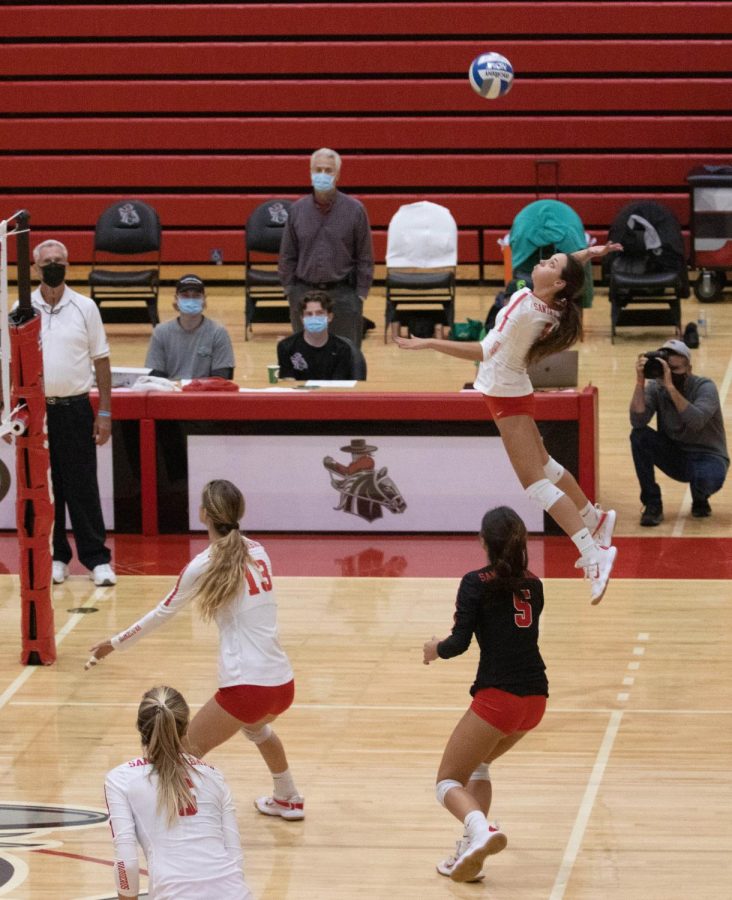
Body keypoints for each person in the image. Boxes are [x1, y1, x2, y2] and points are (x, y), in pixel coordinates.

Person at [395, 245, 622, 604]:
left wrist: (428, 343)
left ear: (558, 282)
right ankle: (594, 517)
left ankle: (594, 554)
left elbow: (484, 351)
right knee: (547, 467)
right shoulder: (554, 304)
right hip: (514, 390)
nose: (542, 263)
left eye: (550, 264)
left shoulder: (525, 307)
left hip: (506, 396)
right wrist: (591, 252)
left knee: (537, 488)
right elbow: (569, 270)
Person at [88, 479, 304, 821]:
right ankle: (288, 796)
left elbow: (162, 613)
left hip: (247, 686)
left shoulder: (203, 564)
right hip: (283, 685)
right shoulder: (260, 551)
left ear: (203, 513)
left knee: (184, 750)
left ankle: (187, 821)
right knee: (257, 729)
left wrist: (113, 643)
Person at [424, 507, 548, 883]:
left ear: (483, 542)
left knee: (447, 783)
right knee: (479, 765)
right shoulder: (534, 585)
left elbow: (459, 643)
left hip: (499, 698)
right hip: (536, 700)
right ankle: (470, 850)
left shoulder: (476, 582)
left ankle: (483, 830)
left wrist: (435, 648)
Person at [104, 685, 253, 899]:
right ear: (185, 729)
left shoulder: (120, 779)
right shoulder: (213, 776)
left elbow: (126, 864)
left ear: (139, 728)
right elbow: (235, 857)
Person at [28, 239, 116, 586]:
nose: (53, 265)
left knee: (82, 486)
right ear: (34, 268)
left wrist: (105, 412)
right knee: (48, 488)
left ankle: (97, 560)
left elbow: (102, 360)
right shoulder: (21, 309)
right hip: (37, 412)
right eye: (46, 261)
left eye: (59, 261)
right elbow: (6, 363)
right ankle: (56, 557)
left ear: (67, 265)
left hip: (77, 408)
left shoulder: (85, 307)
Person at [278, 147, 374, 348]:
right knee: (304, 356)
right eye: (318, 169)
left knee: (346, 356)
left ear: (337, 174)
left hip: (344, 295)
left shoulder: (355, 210)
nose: (323, 174)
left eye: (328, 170)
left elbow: (364, 256)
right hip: (303, 294)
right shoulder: (297, 210)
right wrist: (290, 290)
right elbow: (287, 255)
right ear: (310, 173)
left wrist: (360, 294)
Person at [630, 338, 728, 525]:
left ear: (689, 369)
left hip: (708, 456)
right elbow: (637, 421)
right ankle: (652, 503)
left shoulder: (705, 387)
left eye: (675, 371)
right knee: (639, 436)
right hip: (676, 455)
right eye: (667, 370)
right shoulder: (656, 388)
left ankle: (700, 496)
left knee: (707, 478)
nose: (670, 376)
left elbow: (696, 421)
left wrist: (671, 388)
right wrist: (640, 382)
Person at [145, 274, 235, 381]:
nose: (191, 300)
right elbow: (155, 376)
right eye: (185, 295)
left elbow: (221, 378)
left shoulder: (218, 332)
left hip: (204, 395)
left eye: (196, 295)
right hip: (171, 394)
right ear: (176, 299)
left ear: (204, 299)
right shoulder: (160, 332)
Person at [277, 290, 355, 381]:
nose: (314, 318)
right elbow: (288, 383)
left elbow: (339, 386)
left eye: (319, 313)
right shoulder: (286, 346)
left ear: (329, 317)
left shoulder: (342, 348)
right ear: (302, 319)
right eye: (309, 314)